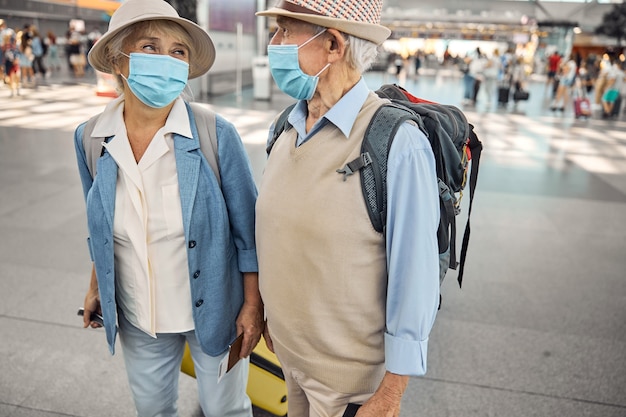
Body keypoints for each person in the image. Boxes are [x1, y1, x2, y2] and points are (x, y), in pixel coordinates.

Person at [74, 1, 262, 416]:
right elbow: (101, 225)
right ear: (118, 60)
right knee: (152, 410)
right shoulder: (91, 139)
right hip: (141, 314)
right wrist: (95, 286)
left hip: (217, 310)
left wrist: (253, 306)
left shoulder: (216, 135)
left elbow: (249, 235)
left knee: (225, 411)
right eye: (150, 47)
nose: (168, 60)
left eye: (178, 51)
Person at [255, 1, 441, 416]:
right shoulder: (286, 126)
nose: (274, 43)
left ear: (334, 45)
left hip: (351, 389)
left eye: (286, 31)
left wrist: (391, 392)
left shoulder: (396, 141)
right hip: (290, 362)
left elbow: (416, 273)